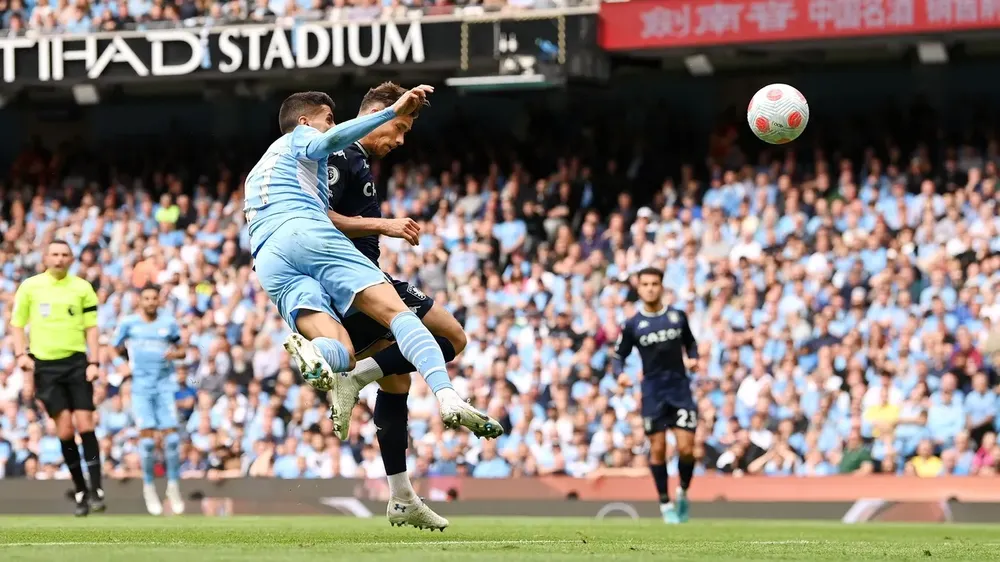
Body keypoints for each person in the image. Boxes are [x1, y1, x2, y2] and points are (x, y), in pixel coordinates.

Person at [243, 89, 501, 454]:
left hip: (269, 259)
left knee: (343, 355)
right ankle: (447, 396)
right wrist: (391, 111)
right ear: (304, 122)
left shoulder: (261, 169)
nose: (332, 126)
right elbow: (329, 142)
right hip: (307, 234)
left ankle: (319, 356)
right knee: (403, 316)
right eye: (329, 118)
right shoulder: (305, 141)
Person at [297, 82, 469, 530]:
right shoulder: (340, 154)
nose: (400, 140)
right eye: (400, 126)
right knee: (450, 337)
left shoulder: (356, 158)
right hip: (350, 282)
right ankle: (352, 374)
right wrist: (384, 224)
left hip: (359, 277)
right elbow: (317, 215)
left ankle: (400, 497)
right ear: (379, 113)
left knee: (396, 385)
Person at [10, 240, 106, 516]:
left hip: (76, 362)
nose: (59, 259)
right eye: (55, 254)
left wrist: (94, 361)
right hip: (45, 366)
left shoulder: (82, 288)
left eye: (64, 254)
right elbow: (17, 324)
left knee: (86, 424)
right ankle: (80, 490)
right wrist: (21, 356)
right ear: (45, 257)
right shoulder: (30, 286)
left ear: (71, 258)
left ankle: (97, 487)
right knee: (64, 430)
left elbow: (91, 328)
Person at [611, 267, 699, 524]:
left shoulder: (677, 317)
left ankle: (682, 490)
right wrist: (620, 375)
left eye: (654, 284)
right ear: (639, 289)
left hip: (680, 390)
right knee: (658, 449)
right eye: (645, 284)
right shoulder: (633, 324)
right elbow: (619, 355)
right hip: (652, 393)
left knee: (686, 449)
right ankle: (664, 503)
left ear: (662, 287)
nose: (650, 288)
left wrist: (693, 359)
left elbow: (691, 343)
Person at [109, 284, 187, 516]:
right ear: (140, 300)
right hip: (141, 389)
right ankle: (149, 487)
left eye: (154, 298)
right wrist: (120, 365)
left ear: (159, 301)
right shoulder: (129, 323)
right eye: (147, 298)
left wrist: (175, 354)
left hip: (164, 387)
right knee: (148, 442)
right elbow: (112, 349)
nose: (151, 302)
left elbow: (182, 350)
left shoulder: (168, 323)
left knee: (172, 440)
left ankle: (173, 487)